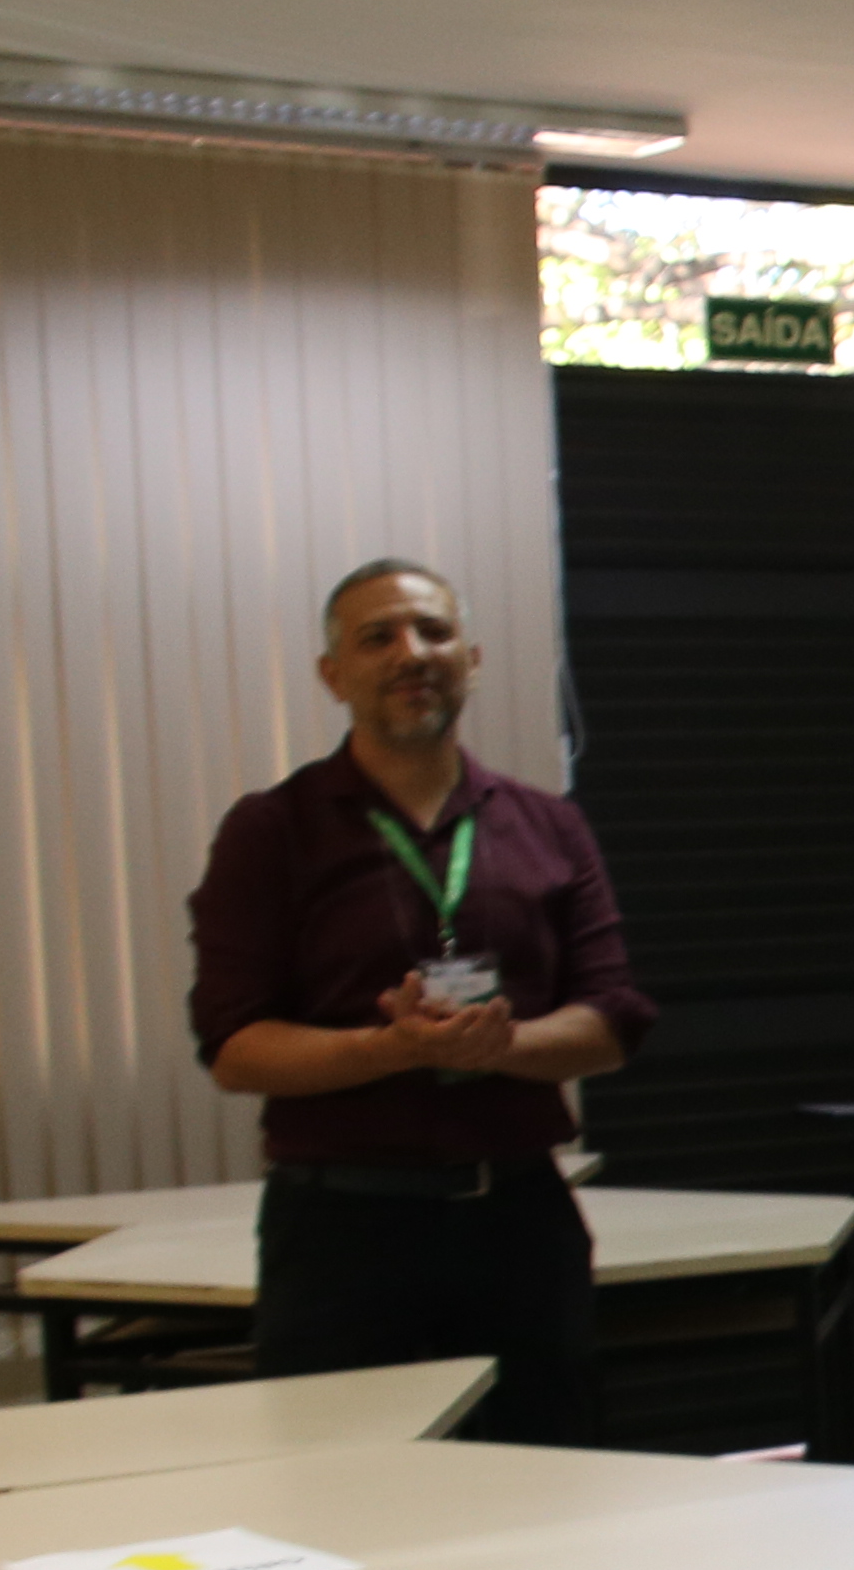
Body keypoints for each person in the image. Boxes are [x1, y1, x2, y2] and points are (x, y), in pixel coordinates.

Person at [189, 558, 654, 1445]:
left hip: (518, 1222)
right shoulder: (271, 830)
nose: (412, 653)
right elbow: (234, 1046)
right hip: (341, 1233)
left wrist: (497, 1046)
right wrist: (388, 1049)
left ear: (471, 658)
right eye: (378, 637)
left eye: (434, 633)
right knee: (343, 1495)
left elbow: (613, 1018)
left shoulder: (548, 825)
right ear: (334, 675)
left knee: (545, 1482)